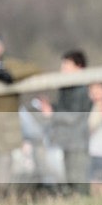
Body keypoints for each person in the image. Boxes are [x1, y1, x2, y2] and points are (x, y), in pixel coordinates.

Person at [0, 33, 42, 195]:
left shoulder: (10, 65)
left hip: (5, 127)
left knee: (4, 164)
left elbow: (34, 68)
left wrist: (9, 75)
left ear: (1, 48)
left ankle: (0, 197)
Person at [40, 49, 92, 195]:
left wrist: (52, 114)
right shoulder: (67, 88)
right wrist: (50, 107)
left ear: (79, 66)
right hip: (67, 140)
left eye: (66, 65)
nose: (62, 69)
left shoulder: (81, 89)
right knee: (70, 182)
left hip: (77, 141)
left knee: (78, 182)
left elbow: (73, 116)